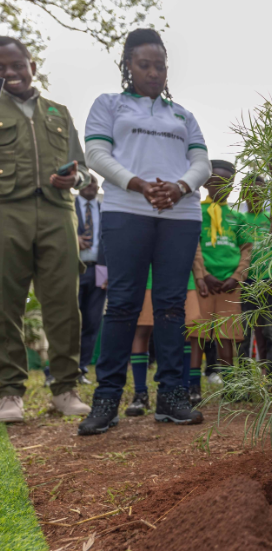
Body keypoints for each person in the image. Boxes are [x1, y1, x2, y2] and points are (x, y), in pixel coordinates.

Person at [78, 28, 211, 435]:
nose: (154, 72)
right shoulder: (109, 105)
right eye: (145, 64)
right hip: (126, 211)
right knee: (122, 304)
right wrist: (138, 184)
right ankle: (107, 400)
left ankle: (172, 396)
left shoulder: (183, 115)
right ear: (128, 66)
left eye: (160, 65)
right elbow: (96, 153)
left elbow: (202, 162)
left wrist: (181, 187)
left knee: (171, 306)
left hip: (180, 214)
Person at [0, 36, 93, 422]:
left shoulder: (59, 112)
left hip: (58, 214)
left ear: (31, 65)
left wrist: (75, 178)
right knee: (5, 304)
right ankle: (8, 393)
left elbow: (86, 172)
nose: (10, 73)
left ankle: (65, 388)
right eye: (1, 67)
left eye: (16, 65)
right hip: (7, 214)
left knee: (63, 304)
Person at [192, 160, 253, 378]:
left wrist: (237, 277)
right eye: (217, 182)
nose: (223, 188)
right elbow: (193, 244)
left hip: (229, 285)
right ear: (207, 183)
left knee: (228, 334)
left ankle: (230, 383)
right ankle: (193, 385)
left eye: (228, 183)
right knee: (198, 333)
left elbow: (247, 249)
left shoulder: (238, 217)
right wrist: (203, 275)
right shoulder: (196, 211)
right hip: (203, 284)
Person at [127, 247, 204, 415]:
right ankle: (140, 394)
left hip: (181, 277)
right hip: (144, 277)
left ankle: (182, 392)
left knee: (184, 332)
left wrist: (199, 275)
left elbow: (194, 244)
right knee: (141, 331)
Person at [239, 174, 272, 385]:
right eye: (251, 192)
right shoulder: (238, 219)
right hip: (245, 283)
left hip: (268, 283)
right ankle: (245, 381)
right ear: (244, 194)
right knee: (244, 334)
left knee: (271, 332)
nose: (255, 196)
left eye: (259, 192)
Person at [75, 174, 106, 384]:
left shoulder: (106, 209)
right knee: (69, 320)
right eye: (86, 181)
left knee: (92, 322)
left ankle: (81, 369)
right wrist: (72, 237)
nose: (90, 185)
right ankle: (59, 370)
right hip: (73, 268)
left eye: (94, 182)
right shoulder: (67, 206)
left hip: (100, 270)